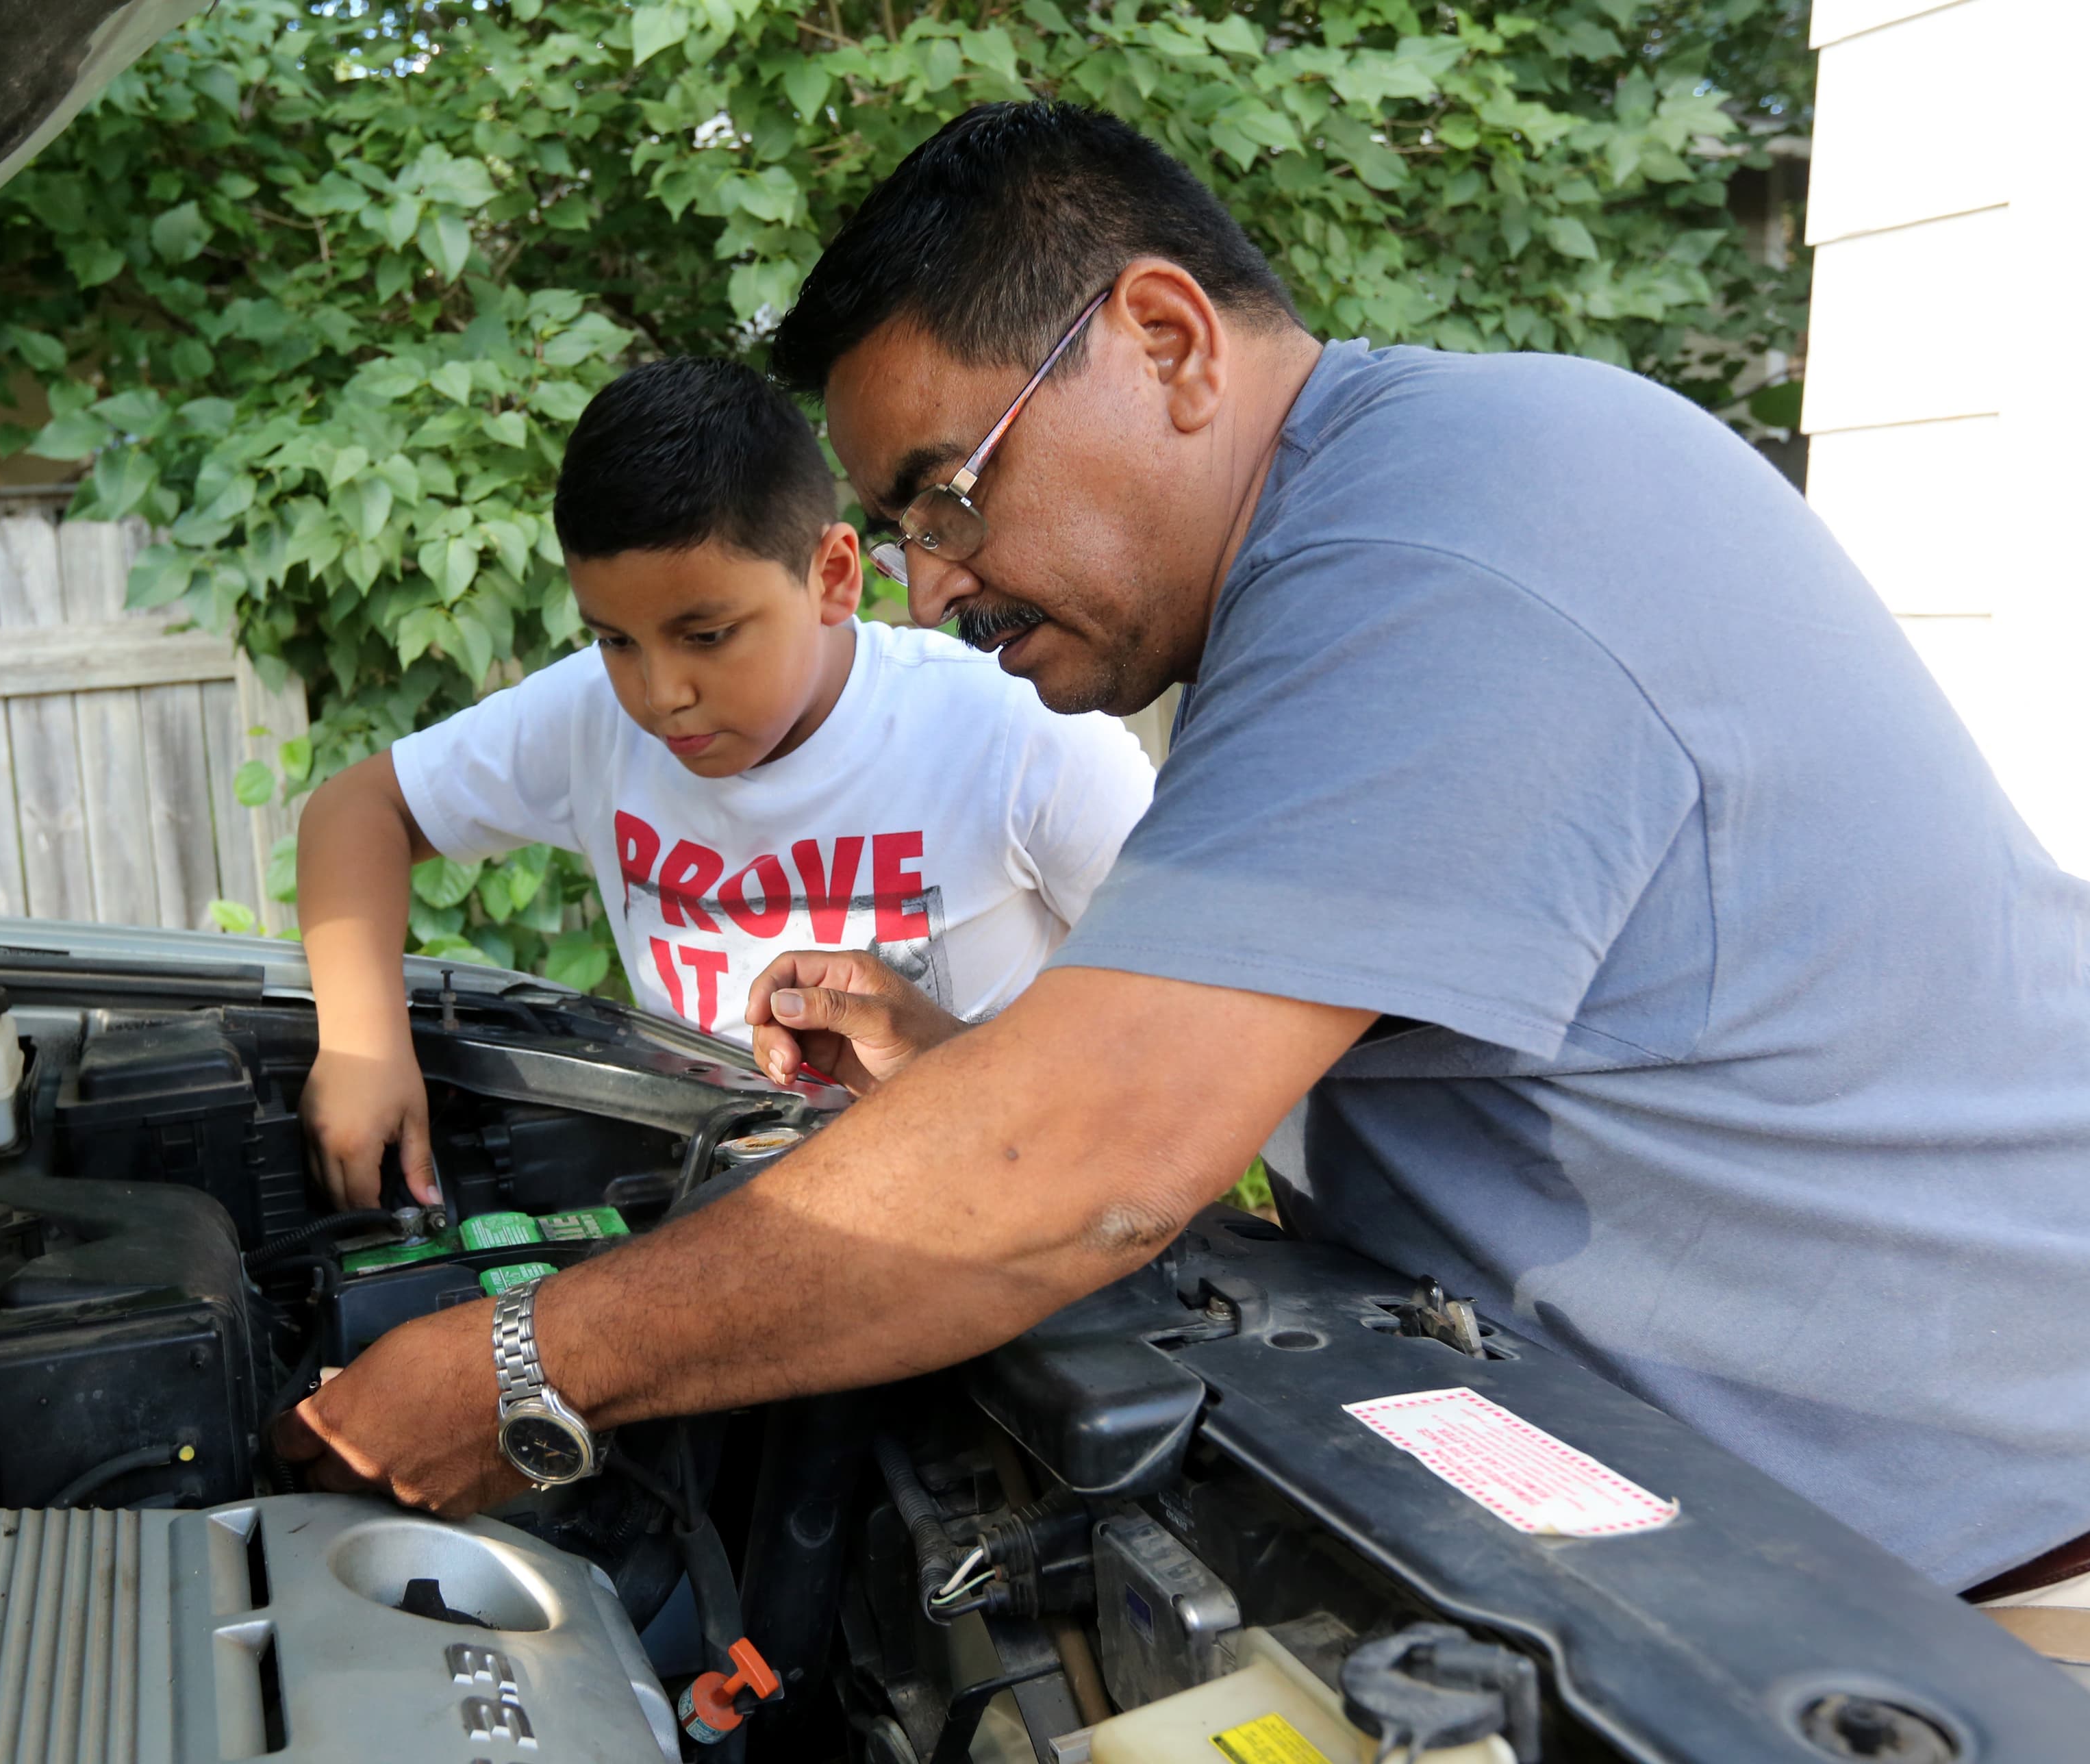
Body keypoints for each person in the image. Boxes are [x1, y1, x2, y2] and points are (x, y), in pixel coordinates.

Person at [275, 102, 2090, 1609]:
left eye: (946, 492)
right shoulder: (1358, 547)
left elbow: (1096, 1168)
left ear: (1165, 340)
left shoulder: (1449, 551)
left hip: (1996, 1592)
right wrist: (987, 1069)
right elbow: (1216, 1088)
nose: (931, 586)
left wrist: (525, 1368)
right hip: (1749, 1556)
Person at [292, 355, 1153, 1209]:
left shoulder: (1014, 733)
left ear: (834, 576)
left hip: (989, 1209)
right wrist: (363, 1046)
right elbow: (359, 807)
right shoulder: (591, 715)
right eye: (616, 640)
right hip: (705, 1208)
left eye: (706, 635)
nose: (660, 694)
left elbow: (1180, 1018)